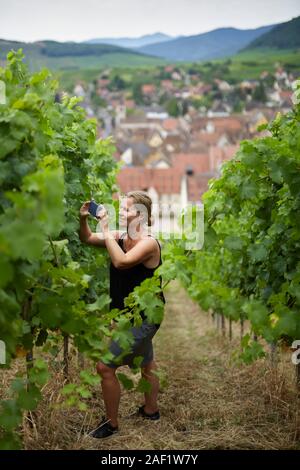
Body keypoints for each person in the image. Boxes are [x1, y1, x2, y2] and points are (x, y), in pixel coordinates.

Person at [79, 191, 165, 438]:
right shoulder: (120, 236)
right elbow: (86, 238)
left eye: (126, 209)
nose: (122, 213)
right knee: (147, 362)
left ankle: (112, 424)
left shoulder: (148, 242)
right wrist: (84, 219)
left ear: (140, 215)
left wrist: (105, 229)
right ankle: (151, 410)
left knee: (105, 367)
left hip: (145, 318)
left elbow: (122, 263)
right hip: (129, 316)